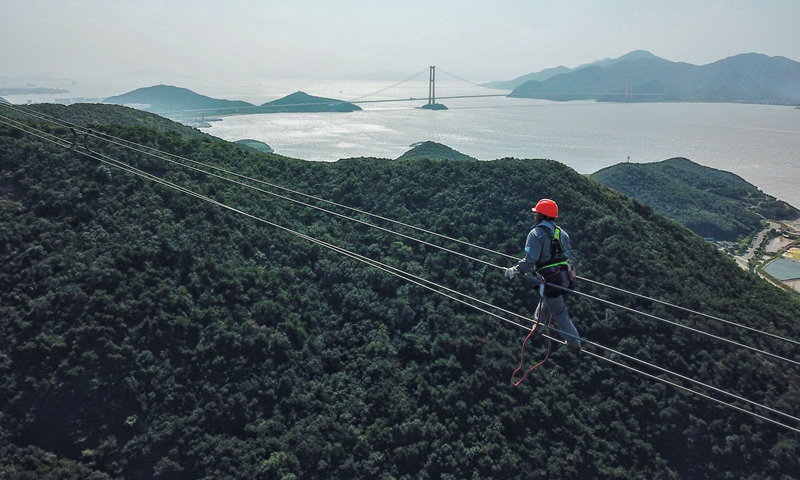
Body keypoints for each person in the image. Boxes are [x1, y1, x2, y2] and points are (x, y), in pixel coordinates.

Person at [504, 199, 582, 351]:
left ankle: (574, 341)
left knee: (559, 311)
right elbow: (565, 254)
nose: (535, 216)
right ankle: (537, 324)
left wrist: (515, 269)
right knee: (550, 299)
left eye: (536, 213)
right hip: (565, 276)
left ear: (542, 215)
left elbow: (531, 259)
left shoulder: (536, 233)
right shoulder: (562, 233)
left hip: (550, 278)